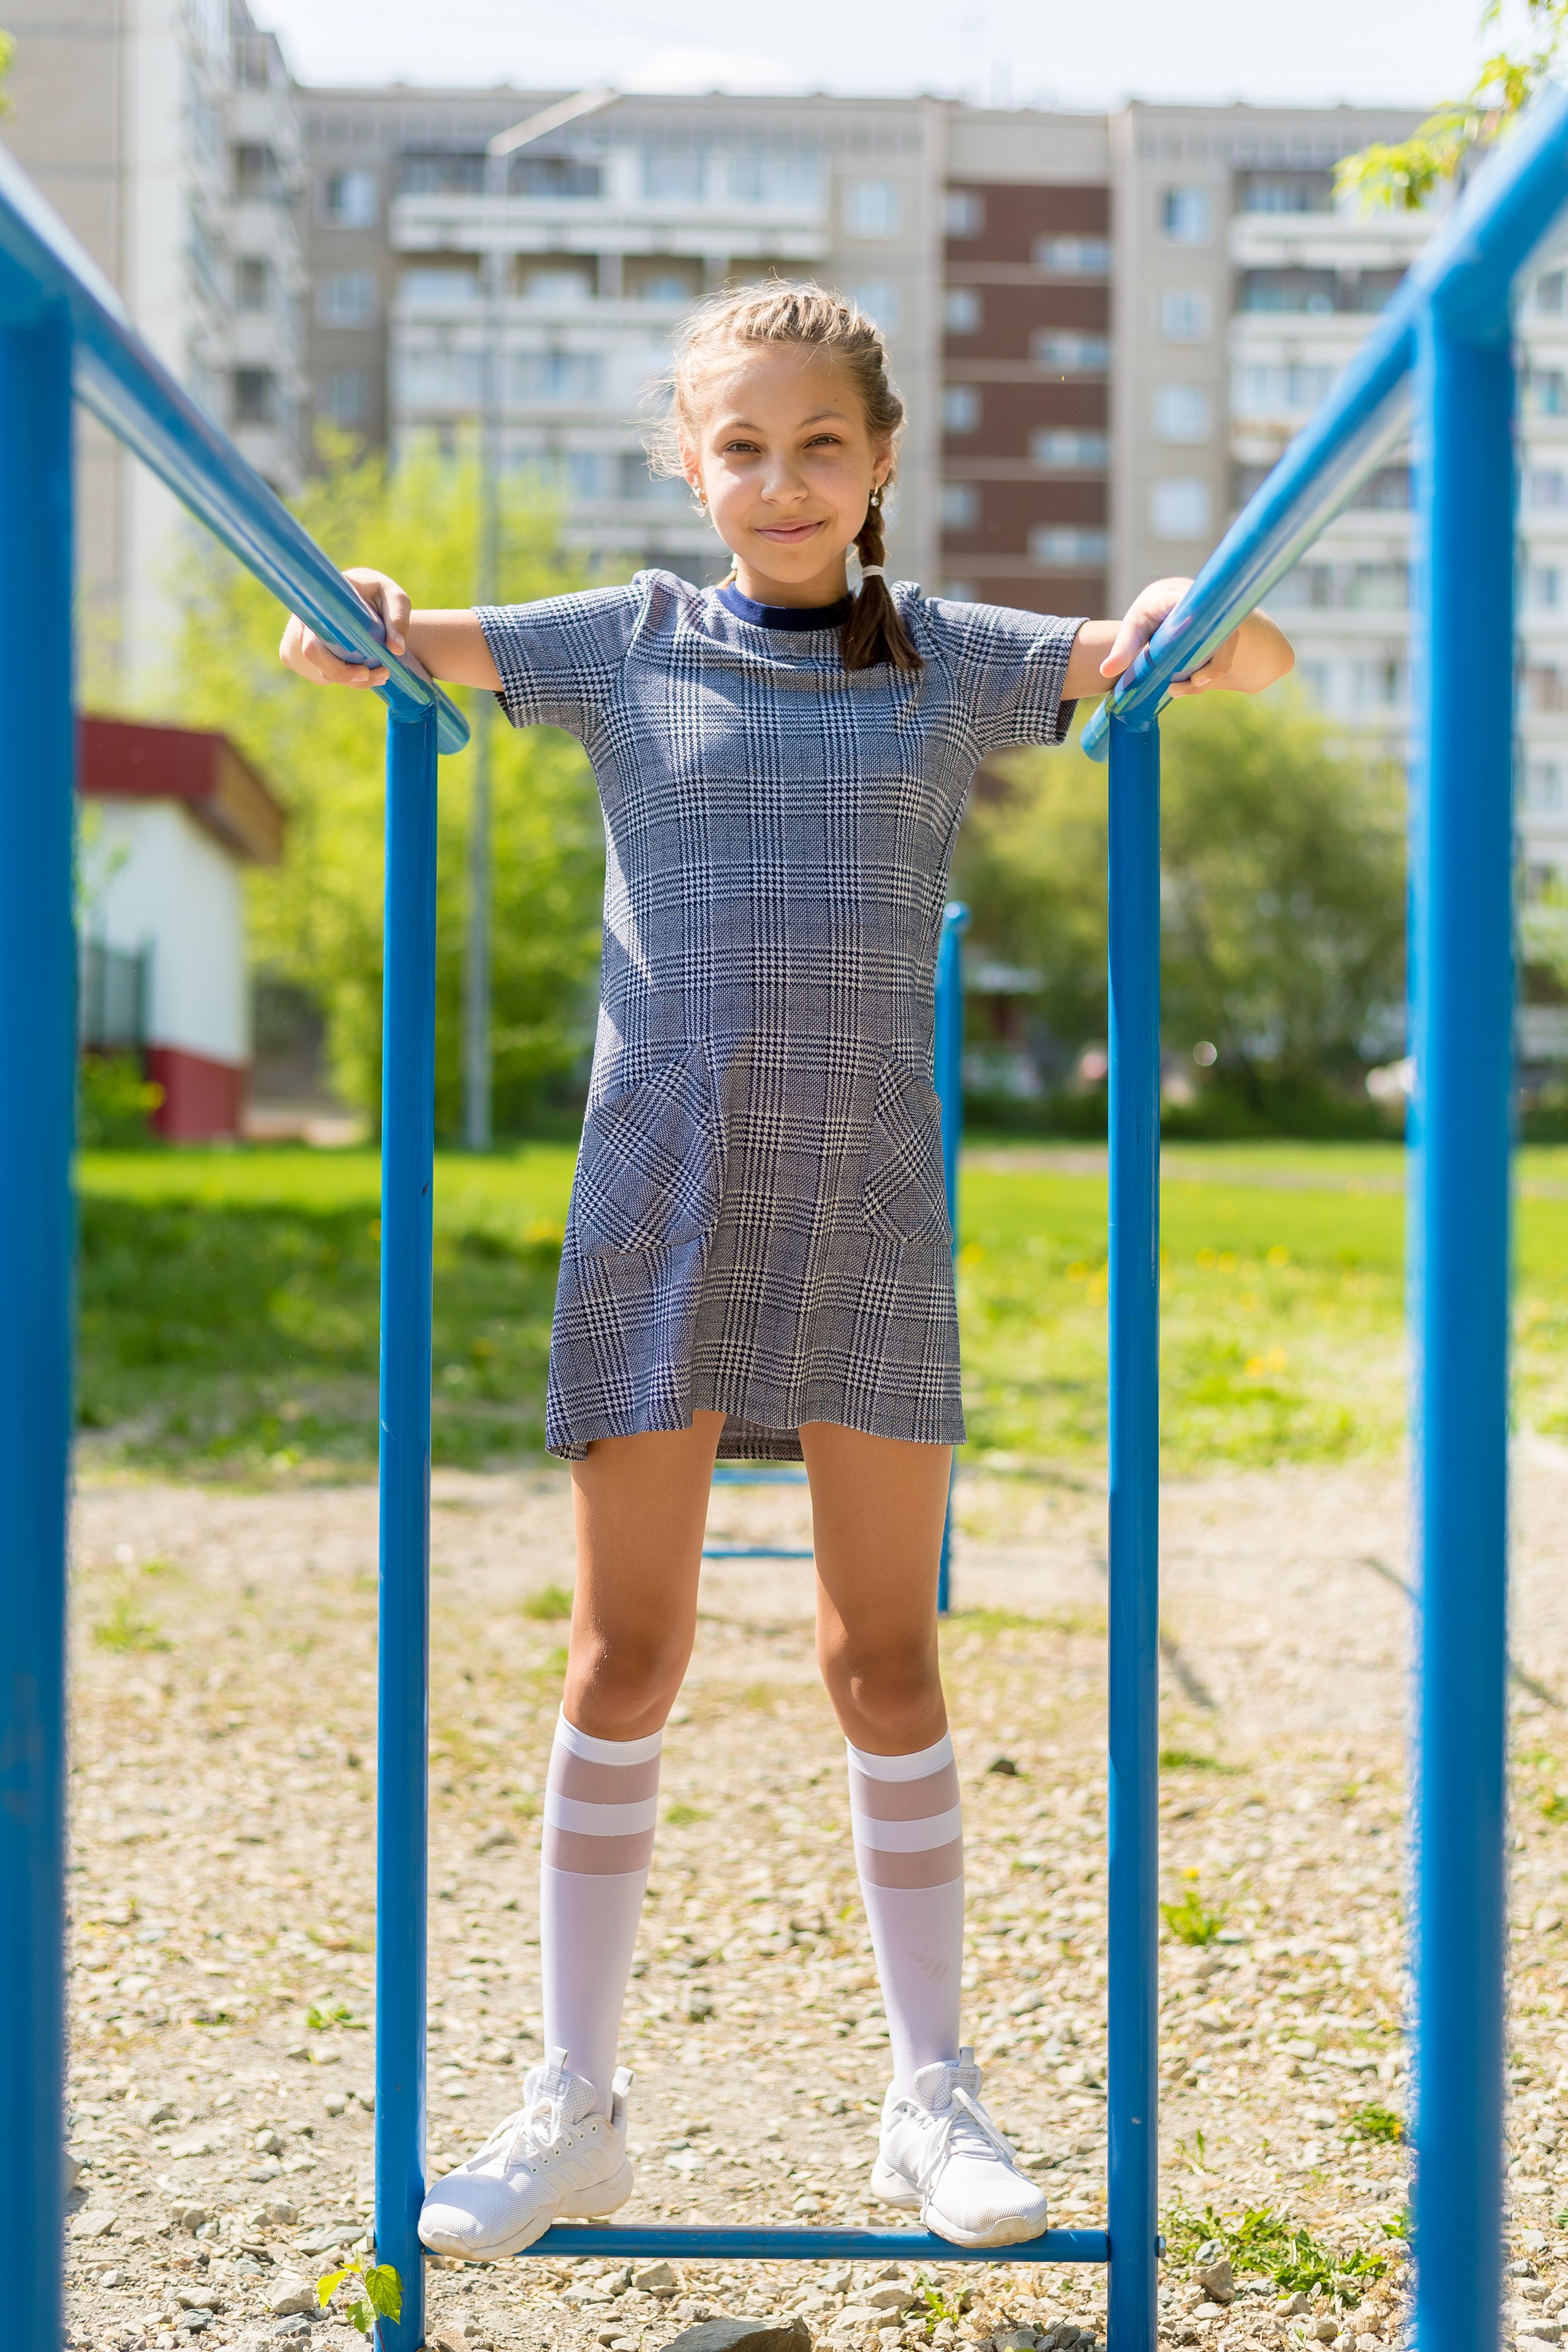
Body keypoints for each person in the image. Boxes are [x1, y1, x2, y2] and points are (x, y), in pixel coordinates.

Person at [281, 282, 1292, 2265]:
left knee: (881, 1654)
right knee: (627, 1653)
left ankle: (936, 2099)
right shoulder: (627, 640)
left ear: (884, 462)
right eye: (739, 446)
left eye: (820, 444)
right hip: (661, 1184)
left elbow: (1227, 665)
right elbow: (361, 642)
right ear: (687, 462)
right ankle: (574, 2100)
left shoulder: (950, 660)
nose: (779, 480)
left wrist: (1198, 599)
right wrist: (360, 596)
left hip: (861, 1199)